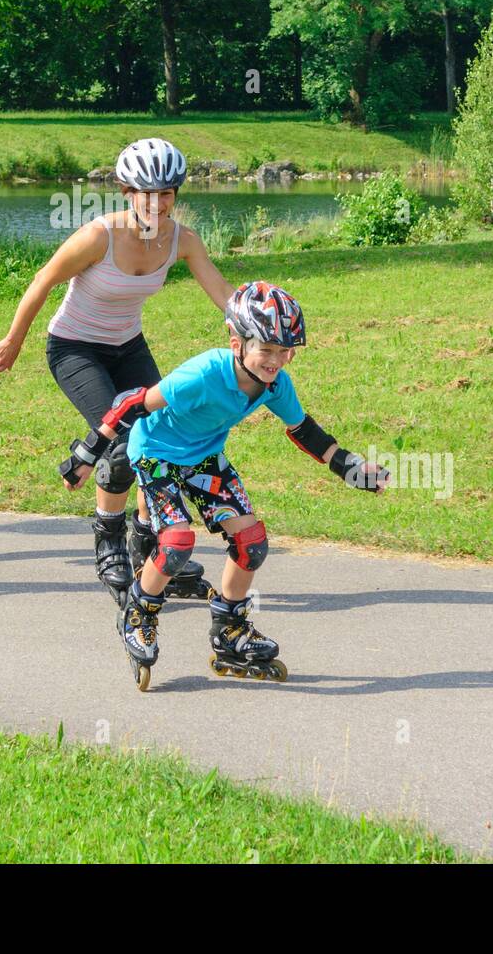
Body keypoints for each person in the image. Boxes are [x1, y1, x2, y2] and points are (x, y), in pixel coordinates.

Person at [61, 280, 390, 690]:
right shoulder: (203, 374)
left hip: (204, 457)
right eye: (266, 350)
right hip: (156, 453)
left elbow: (304, 430)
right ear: (237, 343)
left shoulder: (274, 384)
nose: (276, 361)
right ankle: (138, 613)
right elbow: (132, 403)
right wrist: (87, 455)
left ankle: (229, 628)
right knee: (177, 543)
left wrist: (350, 468)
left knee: (252, 540)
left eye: (285, 352)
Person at [0, 138, 235, 602]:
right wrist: (13, 339)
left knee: (160, 438)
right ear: (126, 192)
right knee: (122, 444)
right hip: (75, 349)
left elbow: (222, 291)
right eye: (146, 193)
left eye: (166, 194)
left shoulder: (183, 240)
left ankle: (148, 541)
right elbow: (42, 280)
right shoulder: (98, 236)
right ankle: (108, 541)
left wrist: (252, 326)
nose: (156, 204)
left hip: (128, 347)